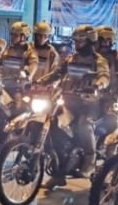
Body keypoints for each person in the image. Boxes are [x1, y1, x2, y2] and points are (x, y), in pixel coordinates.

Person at [37, 25, 110, 187]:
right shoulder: (72, 59)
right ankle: (58, 172)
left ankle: (90, 158)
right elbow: (57, 73)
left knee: (84, 125)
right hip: (68, 102)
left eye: (80, 40)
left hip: (89, 104)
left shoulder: (99, 61)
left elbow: (105, 76)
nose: (76, 43)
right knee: (53, 124)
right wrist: (38, 82)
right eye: (75, 40)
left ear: (90, 41)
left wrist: (98, 85)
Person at [0, 21, 38, 94]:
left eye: (15, 36)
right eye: (12, 35)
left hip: (19, 87)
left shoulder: (30, 52)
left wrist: (27, 73)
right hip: (3, 84)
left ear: (23, 37)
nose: (12, 38)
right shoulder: (8, 50)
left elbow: (33, 65)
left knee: (18, 103)